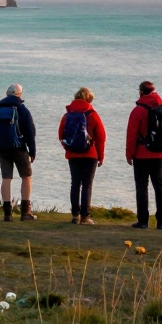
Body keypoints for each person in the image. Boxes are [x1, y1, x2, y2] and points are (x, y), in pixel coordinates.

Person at [0, 84, 38, 221]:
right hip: (19, 148)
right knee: (26, 177)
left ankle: (7, 213)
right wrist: (32, 151)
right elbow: (30, 132)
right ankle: (25, 212)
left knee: (6, 178)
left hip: (2, 148)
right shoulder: (22, 110)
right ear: (19, 94)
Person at [58, 87, 106, 225]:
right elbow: (101, 137)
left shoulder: (67, 115)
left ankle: (75, 215)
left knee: (75, 184)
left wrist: (68, 148)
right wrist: (100, 156)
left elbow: (61, 135)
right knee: (87, 185)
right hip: (90, 154)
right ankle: (85, 217)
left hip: (73, 154)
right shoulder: (93, 114)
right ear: (89, 100)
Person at [125, 81, 162, 229]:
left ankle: (143, 221)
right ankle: (161, 221)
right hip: (160, 153)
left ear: (140, 92)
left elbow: (131, 135)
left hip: (142, 154)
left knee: (142, 187)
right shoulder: (161, 108)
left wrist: (129, 154)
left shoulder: (137, 111)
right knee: (159, 186)